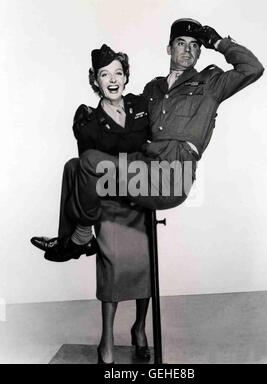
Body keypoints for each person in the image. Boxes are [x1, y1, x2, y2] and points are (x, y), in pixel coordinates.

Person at [34, 18, 263, 261]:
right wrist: (96, 117)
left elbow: (253, 69)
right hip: (143, 169)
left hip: (173, 177)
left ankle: (81, 237)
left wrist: (218, 42)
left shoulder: (211, 83)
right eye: (181, 43)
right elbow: (127, 125)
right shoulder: (152, 89)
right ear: (169, 49)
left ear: (200, 51)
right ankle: (67, 242)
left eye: (195, 45)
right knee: (75, 167)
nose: (188, 49)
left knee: (90, 161)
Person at [32, 44, 152, 364]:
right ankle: (106, 342)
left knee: (144, 269)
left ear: (126, 76)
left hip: (141, 200)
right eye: (104, 74)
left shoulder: (142, 106)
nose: (112, 79)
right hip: (110, 203)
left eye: (118, 72)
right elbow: (92, 169)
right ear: (95, 80)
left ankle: (140, 329)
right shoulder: (87, 119)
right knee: (112, 270)